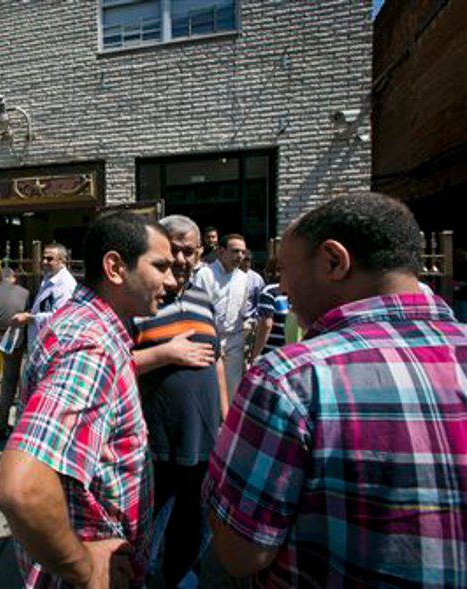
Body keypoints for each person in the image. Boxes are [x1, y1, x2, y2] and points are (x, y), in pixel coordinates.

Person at [203, 193, 467, 587]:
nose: (283, 288)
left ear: (333, 261)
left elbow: (241, 552)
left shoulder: (290, 380)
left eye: (285, 269)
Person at [0, 211, 176, 588]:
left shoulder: (86, 323)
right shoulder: (92, 347)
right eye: (161, 266)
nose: (171, 281)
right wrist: (84, 568)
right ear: (115, 268)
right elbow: (19, 487)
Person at [131, 215, 229, 587]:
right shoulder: (142, 302)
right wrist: (167, 354)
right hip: (158, 446)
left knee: (195, 534)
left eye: (190, 250)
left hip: (204, 443)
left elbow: (216, 361)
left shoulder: (204, 298)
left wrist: (225, 419)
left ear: (200, 252)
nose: (182, 258)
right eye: (174, 249)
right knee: (149, 536)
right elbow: (117, 364)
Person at [192, 233, 248, 397]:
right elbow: (198, 309)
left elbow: (242, 310)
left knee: (234, 386)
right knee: (211, 388)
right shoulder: (205, 275)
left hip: (234, 339)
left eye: (243, 252)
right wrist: (210, 339)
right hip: (209, 338)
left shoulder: (243, 278)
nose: (240, 256)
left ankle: (229, 421)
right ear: (221, 251)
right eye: (235, 251)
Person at [0, 267, 29, 441]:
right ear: (13, 278)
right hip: (13, 341)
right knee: (10, 380)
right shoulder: (24, 292)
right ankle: (1, 427)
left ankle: (4, 424)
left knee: (10, 377)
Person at [10, 242, 77, 355]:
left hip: (52, 346)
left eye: (50, 259)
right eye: (43, 258)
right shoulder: (49, 277)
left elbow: (61, 317)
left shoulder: (65, 285)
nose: (44, 262)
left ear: (62, 261)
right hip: (41, 341)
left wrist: (30, 318)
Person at [247, 258, 289, 363]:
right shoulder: (298, 290)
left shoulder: (268, 292)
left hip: (272, 354)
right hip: (293, 353)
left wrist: (255, 355)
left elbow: (266, 325)